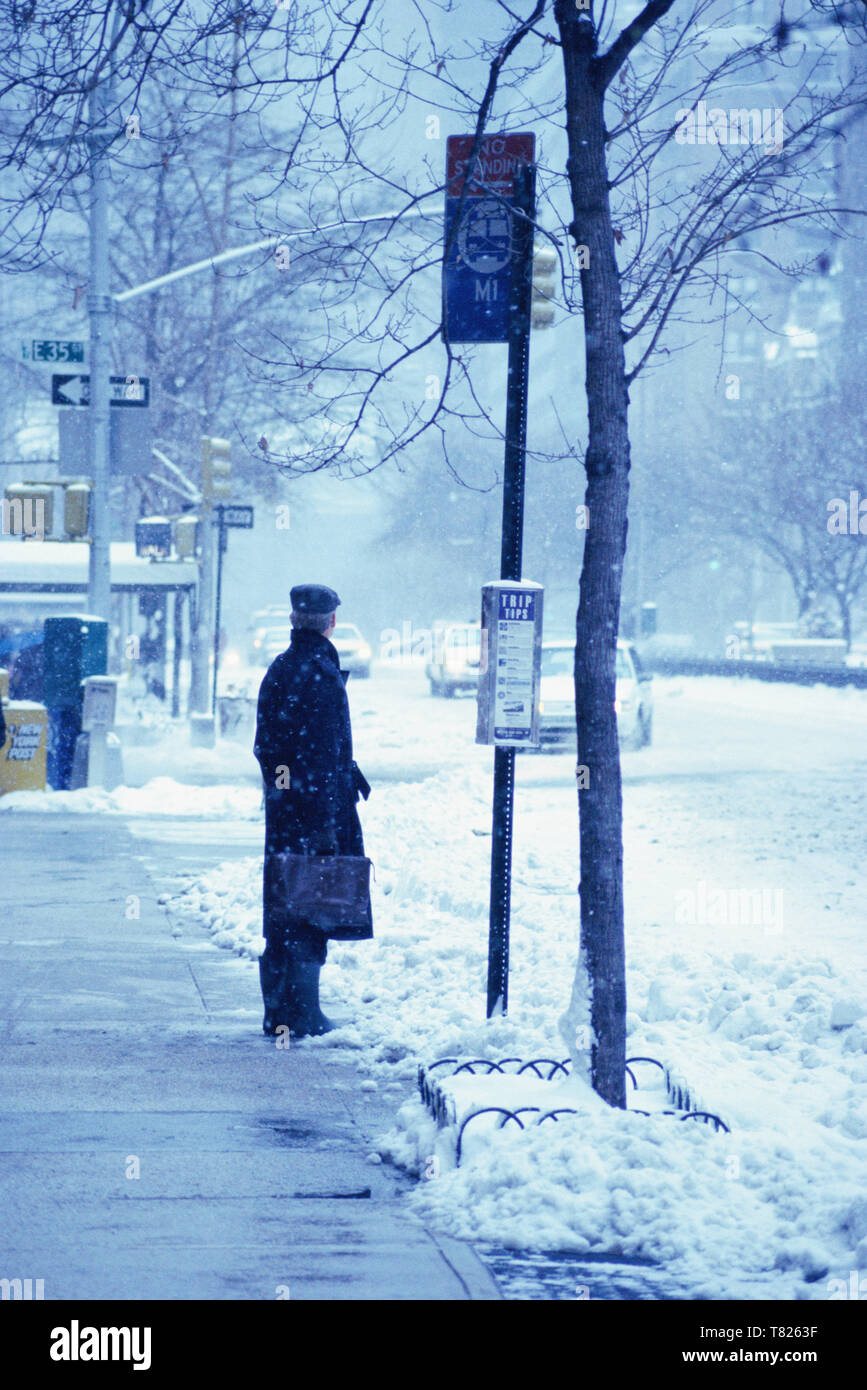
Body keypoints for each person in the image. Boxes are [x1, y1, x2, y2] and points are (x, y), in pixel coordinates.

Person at [253, 583, 371, 1037]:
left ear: (292, 620)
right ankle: (302, 1011)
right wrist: (320, 819)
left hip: (286, 814)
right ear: (332, 622)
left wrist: (284, 795)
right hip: (316, 814)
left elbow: (269, 748)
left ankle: (278, 1010)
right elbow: (322, 755)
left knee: (284, 902)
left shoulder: (281, 668)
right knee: (312, 904)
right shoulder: (321, 673)